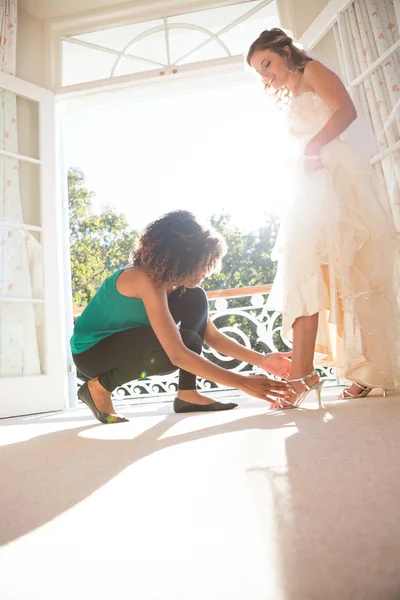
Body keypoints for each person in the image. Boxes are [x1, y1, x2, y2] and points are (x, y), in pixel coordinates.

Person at [247, 28, 400, 407]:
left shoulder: (312, 71)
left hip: (333, 178)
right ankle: (334, 371)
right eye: (259, 72)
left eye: (267, 64)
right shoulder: (295, 91)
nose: (266, 75)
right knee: (312, 272)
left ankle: (315, 374)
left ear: (285, 51)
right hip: (311, 183)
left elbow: (347, 110)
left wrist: (314, 146)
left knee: (347, 271)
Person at [70, 210, 291, 423]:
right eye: (201, 264)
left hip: (127, 341)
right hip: (93, 352)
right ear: (178, 259)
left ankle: (188, 393)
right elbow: (178, 354)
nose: (206, 272)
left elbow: (211, 336)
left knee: (195, 298)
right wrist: (243, 383)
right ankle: (99, 387)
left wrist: (262, 360)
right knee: (183, 344)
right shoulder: (143, 279)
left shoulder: (173, 285)